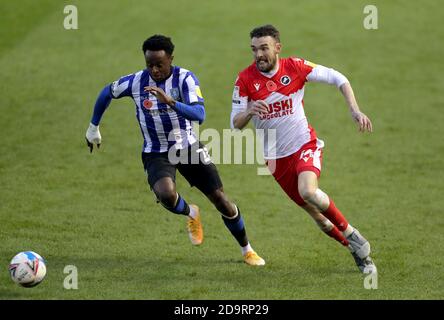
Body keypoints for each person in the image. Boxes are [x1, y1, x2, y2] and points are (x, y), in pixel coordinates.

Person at [85, 34, 265, 266]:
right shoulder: (136, 82)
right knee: (166, 195)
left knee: (221, 200)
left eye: (159, 64)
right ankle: (191, 212)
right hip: (156, 151)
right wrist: (93, 126)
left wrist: (170, 101)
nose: (154, 70)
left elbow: (199, 115)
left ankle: (247, 250)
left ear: (171, 58)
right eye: (149, 64)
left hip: (187, 147)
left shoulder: (185, 80)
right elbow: (106, 93)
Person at [231, 25, 376, 273]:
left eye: (264, 48)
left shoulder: (295, 67)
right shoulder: (244, 79)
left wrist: (354, 109)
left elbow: (339, 78)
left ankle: (353, 234)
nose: (259, 55)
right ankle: (358, 253)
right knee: (319, 218)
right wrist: (249, 112)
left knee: (308, 191)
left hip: (303, 144)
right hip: (276, 160)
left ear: (277, 48)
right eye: (254, 49)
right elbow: (234, 124)